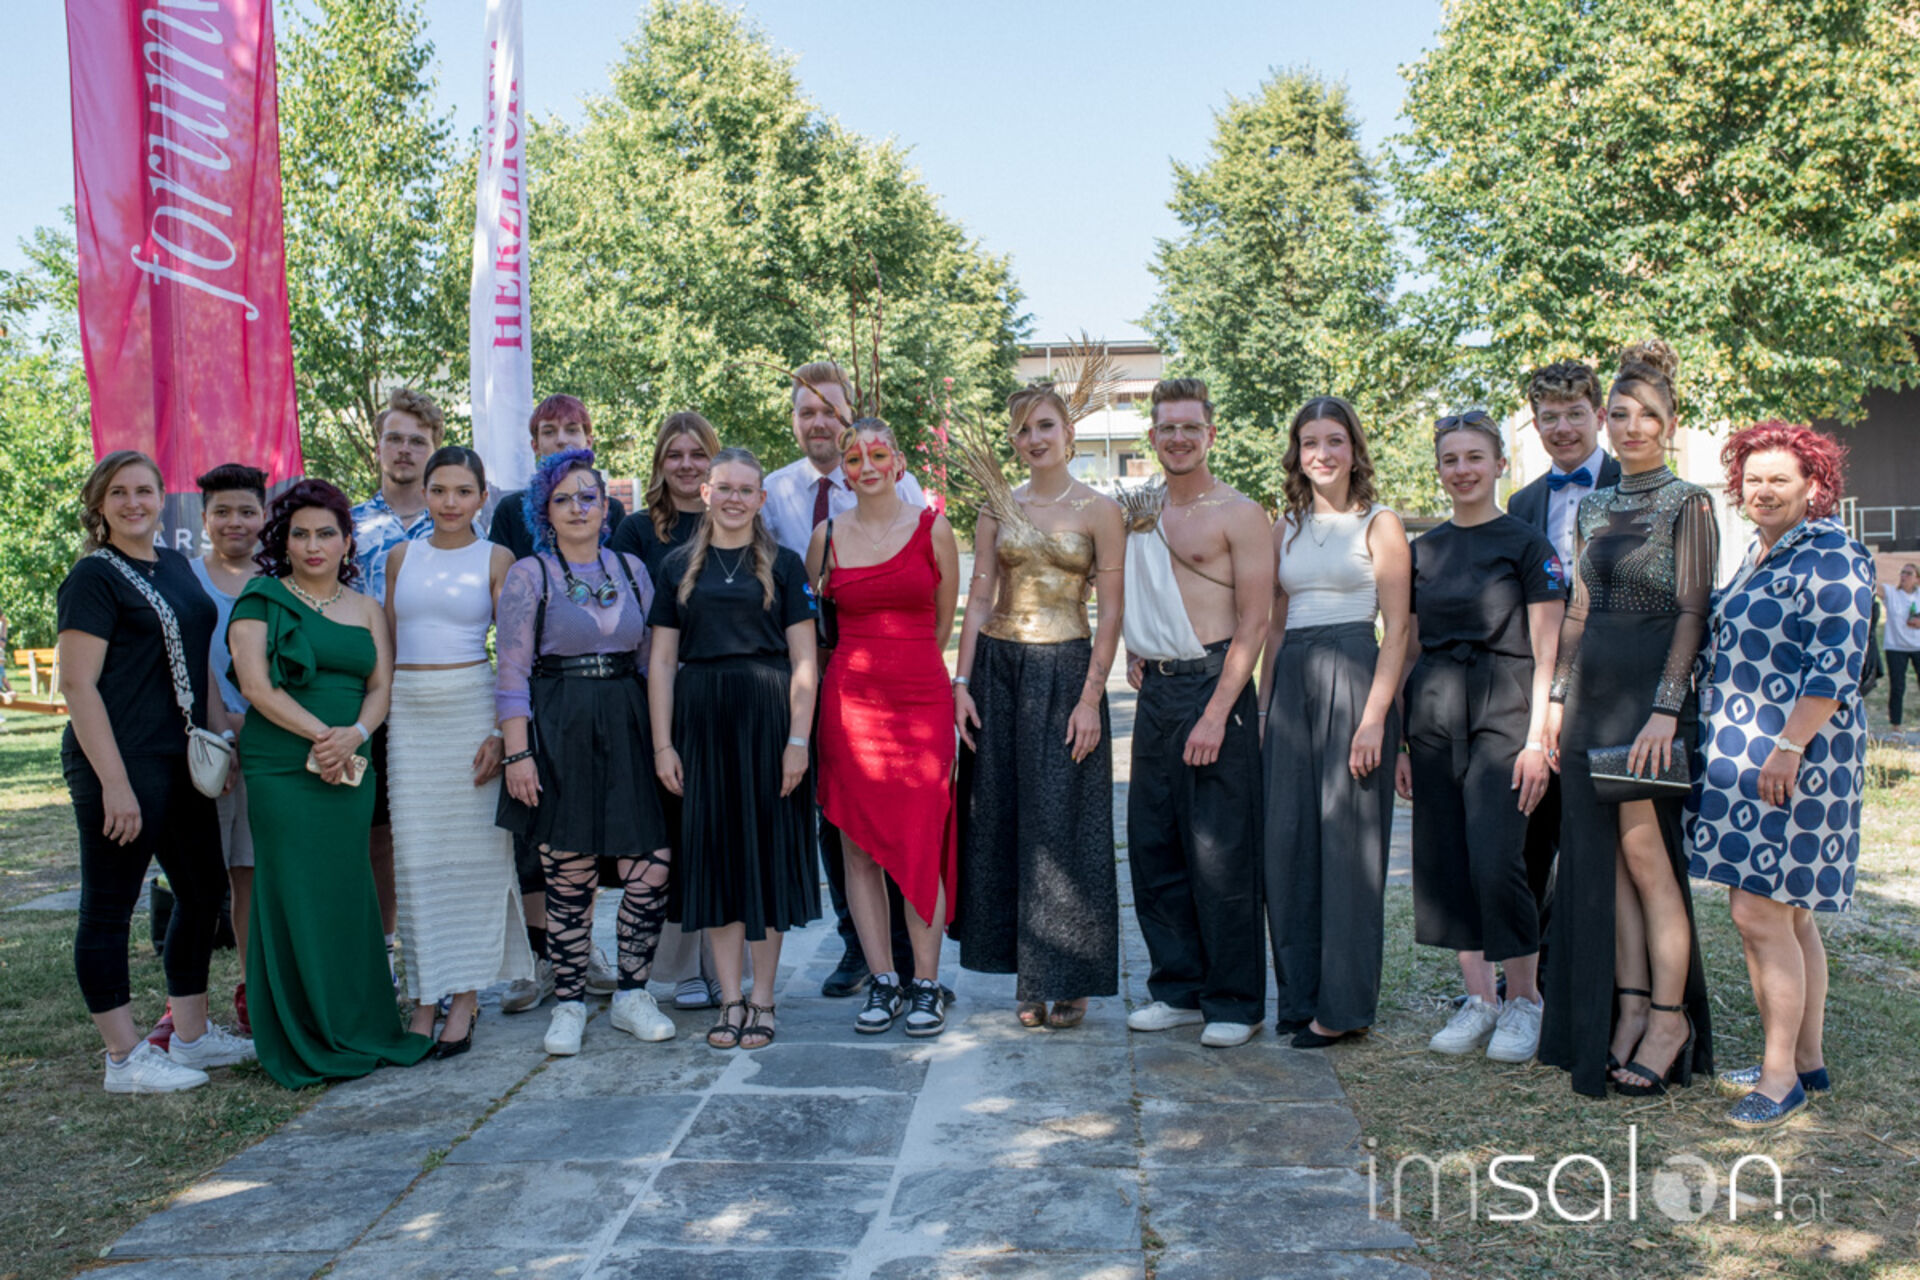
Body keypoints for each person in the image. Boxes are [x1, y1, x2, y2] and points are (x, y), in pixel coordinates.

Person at [1540, 340, 1718, 1098]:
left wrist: (1665, 712)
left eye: (1647, 414)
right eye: (1619, 414)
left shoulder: (1689, 502)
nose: (1631, 426)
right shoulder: (1595, 505)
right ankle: (1633, 1006)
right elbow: (1578, 611)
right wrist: (1556, 701)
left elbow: (1692, 613)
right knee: (1607, 867)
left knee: (1648, 860)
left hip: (1650, 700)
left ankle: (1670, 1020)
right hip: (1592, 698)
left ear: (1670, 424)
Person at [1690, 423, 1874, 1127]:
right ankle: (1806, 1060)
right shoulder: (1761, 553)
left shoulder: (1832, 554)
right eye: (1753, 479)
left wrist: (1789, 747)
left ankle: (1778, 1079)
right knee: (1790, 913)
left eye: (1779, 480)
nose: (1762, 491)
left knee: (1757, 912)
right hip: (1749, 757)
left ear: (1814, 487)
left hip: (1795, 757)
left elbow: (1835, 666)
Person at [57, 451, 254, 1093]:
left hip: (182, 756)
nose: (133, 502)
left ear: (162, 498)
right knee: (109, 906)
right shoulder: (93, 576)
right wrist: (114, 784)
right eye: (119, 492)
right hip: (121, 757)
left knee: (201, 892)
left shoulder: (173, 565)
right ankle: (123, 1058)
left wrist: (221, 737)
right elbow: (77, 685)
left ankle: (191, 1037)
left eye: (144, 490)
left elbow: (199, 661)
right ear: (99, 503)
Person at [229, 479, 432, 1088]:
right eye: (300, 534)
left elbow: (382, 686)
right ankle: (302, 1030)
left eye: (326, 534)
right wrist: (326, 735)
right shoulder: (260, 598)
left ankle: (360, 1021)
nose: (313, 545)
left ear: (347, 542)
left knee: (348, 886)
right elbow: (255, 687)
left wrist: (357, 735)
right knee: (294, 888)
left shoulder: (366, 607)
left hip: (351, 764)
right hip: (282, 766)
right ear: (283, 541)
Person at [951, 385, 1126, 1029]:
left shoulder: (1101, 511)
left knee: (1066, 824)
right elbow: (978, 599)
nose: (1034, 439)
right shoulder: (997, 505)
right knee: (1001, 819)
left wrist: (1090, 698)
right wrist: (961, 683)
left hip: (1067, 670)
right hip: (999, 670)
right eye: (1023, 429)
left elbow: (1112, 613)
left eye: (1045, 425)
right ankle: (1027, 974)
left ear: (1068, 432)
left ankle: (1070, 978)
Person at [1394, 413, 1565, 1063]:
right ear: (1439, 469)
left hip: (1505, 715)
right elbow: (1408, 647)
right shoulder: (1424, 551)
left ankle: (1524, 1001)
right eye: (1450, 459)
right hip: (1434, 718)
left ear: (1499, 464)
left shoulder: (1527, 545)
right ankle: (1479, 999)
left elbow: (1548, 654)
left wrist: (1537, 740)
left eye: (1474, 457)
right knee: (1450, 861)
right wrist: (1403, 741)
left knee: (1498, 860)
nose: (1462, 470)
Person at [496, 449, 677, 1055]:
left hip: (628, 720)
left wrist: (664, 741)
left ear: (605, 507)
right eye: (563, 499)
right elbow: (511, 673)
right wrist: (518, 754)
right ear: (544, 511)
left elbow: (652, 661)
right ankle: (570, 1003)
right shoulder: (530, 574)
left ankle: (632, 994)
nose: (578, 507)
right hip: (560, 723)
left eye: (588, 497)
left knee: (651, 863)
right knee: (568, 872)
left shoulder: (631, 568)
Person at [766, 361, 927, 999]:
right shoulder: (774, 492)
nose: (818, 423)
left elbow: (929, 590)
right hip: (812, 669)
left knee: (899, 809)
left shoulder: (899, 484)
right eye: (806, 412)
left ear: (848, 414)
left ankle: (909, 956)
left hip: (889, 670)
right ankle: (858, 944)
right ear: (794, 421)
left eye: (829, 411)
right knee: (837, 816)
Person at [650, 447, 821, 1049]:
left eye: (746, 490)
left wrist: (798, 740)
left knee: (765, 862)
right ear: (706, 493)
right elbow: (662, 662)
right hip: (700, 723)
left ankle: (763, 999)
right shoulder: (676, 567)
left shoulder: (785, 564)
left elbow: (805, 660)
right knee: (717, 862)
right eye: (724, 487)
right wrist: (663, 745)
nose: (734, 499)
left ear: (761, 499)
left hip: (769, 722)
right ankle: (729, 999)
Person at [1120, 378, 1272, 1048]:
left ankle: (1235, 1002)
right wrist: (1136, 642)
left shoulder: (1240, 513)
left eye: (1190, 426)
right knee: (1155, 845)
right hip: (1156, 691)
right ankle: (1177, 988)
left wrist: (1216, 713)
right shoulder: (1140, 510)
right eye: (1167, 428)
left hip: (1217, 684)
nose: (1178, 438)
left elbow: (1254, 622)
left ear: (1210, 433)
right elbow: (1133, 586)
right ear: (1152, 437)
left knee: (1222, 850)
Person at [1259, 396, 1410, 1048]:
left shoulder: (1380, 523)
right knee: (1287, 842)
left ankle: (1344, 1008)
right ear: (1297, 454)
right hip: (1292, 682)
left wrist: (1374, 719)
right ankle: (1300, 998)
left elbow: (1398, 629)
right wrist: (1264, 709)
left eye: (1334, 440)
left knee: (1348, 848)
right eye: (1310, 442)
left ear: (1354, 450)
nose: (1322, 453)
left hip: (1355, 675)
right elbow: (1273, 626)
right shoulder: (1284, 528)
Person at [807, 418, 961, 1037]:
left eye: (877, 454)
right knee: (858, 846)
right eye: (854, 458)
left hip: (921, 700)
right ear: (843, 470)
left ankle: (926, 983)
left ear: (898, 461)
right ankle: (883, 981)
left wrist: (912, 670)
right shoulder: (825, 537)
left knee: (922, 838)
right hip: (850, 705)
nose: (866, 466)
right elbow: (815, 624)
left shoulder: (934, 528)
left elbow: (943, 622)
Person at [384, 447, 533, 1056]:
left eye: (463, 491)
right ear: (424, 493)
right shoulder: (400, 557)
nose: (450, 503)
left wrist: (503, 733)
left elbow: (517, 655)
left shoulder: (498, 558)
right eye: (440, 490)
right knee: (416, 862)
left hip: (471, 708)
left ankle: (465, 1000)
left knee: (474, 861)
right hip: (409, 713)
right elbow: (389, 645)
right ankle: (424, 998)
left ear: (481, 498)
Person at [489, 395, 628, 1014]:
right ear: (535, 443)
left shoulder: (609, 506)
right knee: (537, 831)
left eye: (573, 428)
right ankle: (542, 957)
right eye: (550, 431)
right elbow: (505, 606)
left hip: (600, 690)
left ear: (590, 436)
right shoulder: (510, 513)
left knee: (584, 830)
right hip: (539, 687)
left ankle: (583, 948)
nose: (563, 437)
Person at [1503, 361, 1621, 968]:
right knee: (1533, 835)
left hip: (1617, 693)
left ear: (1598, 416)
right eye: (1549, 417)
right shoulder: (1521, 503)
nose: (1563, 428)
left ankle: (1600, 971)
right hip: (1541, 692)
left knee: (1604, 844)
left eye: (1575, 414)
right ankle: (1534, 974)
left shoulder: (1636, 484)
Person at [612, 410, 726, 1013]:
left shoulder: (732, 517)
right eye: (674, 454)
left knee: (718, 827)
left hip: (722, 691)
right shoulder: (636, 530)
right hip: (656, 693)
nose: (686, 465)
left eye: (697, 453)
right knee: (673, 830)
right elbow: (626, 615)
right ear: (659, 462)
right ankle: (681, 967)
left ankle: (722, 963)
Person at [350, 387, 449, 975]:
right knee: (378, 831)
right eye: (395, 439)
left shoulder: (458, 520)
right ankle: (385, 954)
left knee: (442, 829)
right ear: (379, 446)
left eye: (418, 440)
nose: (405, 450)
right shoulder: (347, 525)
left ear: (434, 449)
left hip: (442, 691)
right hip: (368, 694)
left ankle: (445, 959)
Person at [191, 463, 269, 1036]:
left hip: (267, 747)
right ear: (204, 519)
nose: (234, 522)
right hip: (202, 750)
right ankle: (185, 1006)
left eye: (246, 510)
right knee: (199, 881)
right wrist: (221, 728)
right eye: (222, 512)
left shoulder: (281, 578)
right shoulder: (185, 578)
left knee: (251, 874)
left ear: (264, 515)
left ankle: (251, 987)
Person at [1879, 562, 1920, 726]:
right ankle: (1896, 728)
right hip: (1895, 647)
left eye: (1909, 573)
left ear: (1917, 579)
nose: (1904, 576)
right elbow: (1873, 586)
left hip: (1918, 646)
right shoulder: (1892, 593)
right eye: (1902, 572)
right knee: (1897, 687)